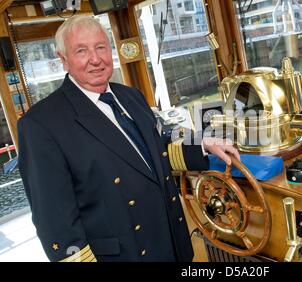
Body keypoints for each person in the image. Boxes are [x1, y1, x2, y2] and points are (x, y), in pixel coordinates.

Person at [17, 16, 239, 262]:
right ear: (63, 59)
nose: (95, 59)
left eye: (100, 47)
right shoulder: (41, 124)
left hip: (171, 243)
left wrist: (202, 145)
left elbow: (156, 151)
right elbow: (56, 224)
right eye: (81, 50)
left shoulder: (130, 96)